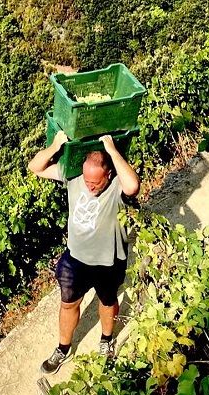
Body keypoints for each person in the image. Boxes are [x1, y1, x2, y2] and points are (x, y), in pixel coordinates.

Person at [28, 130, 140, 374]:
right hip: (76, 258)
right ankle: (63, 348)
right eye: (87, 181)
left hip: (108, 260)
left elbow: (133, 186)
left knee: (108, 301)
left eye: (95, 182)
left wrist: (111, 149)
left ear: (108, 174)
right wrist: (56, 145)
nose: (89, 187)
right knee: (68, 304)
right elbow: (35, 167)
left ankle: (106, 340)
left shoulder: (117, 185)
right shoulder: (74, 176)